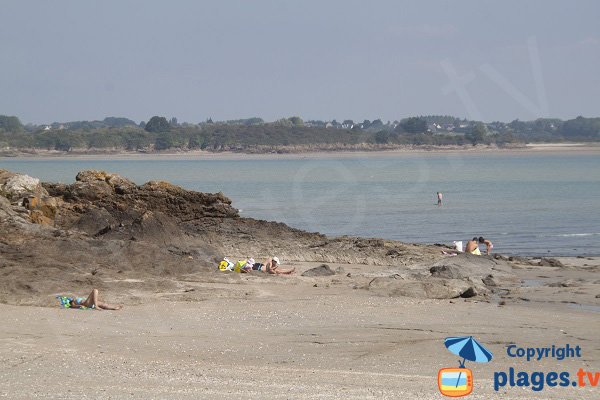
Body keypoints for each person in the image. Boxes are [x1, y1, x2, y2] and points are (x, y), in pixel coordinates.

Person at [58, 288, 122, 310]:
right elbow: (72, 306)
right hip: (86, 304)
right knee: (95, 290)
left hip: (88, 303)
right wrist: (80, 306)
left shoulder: (75, 299)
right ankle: (96, 306)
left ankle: (114, 308)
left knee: (103, 304)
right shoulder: (72, 301)